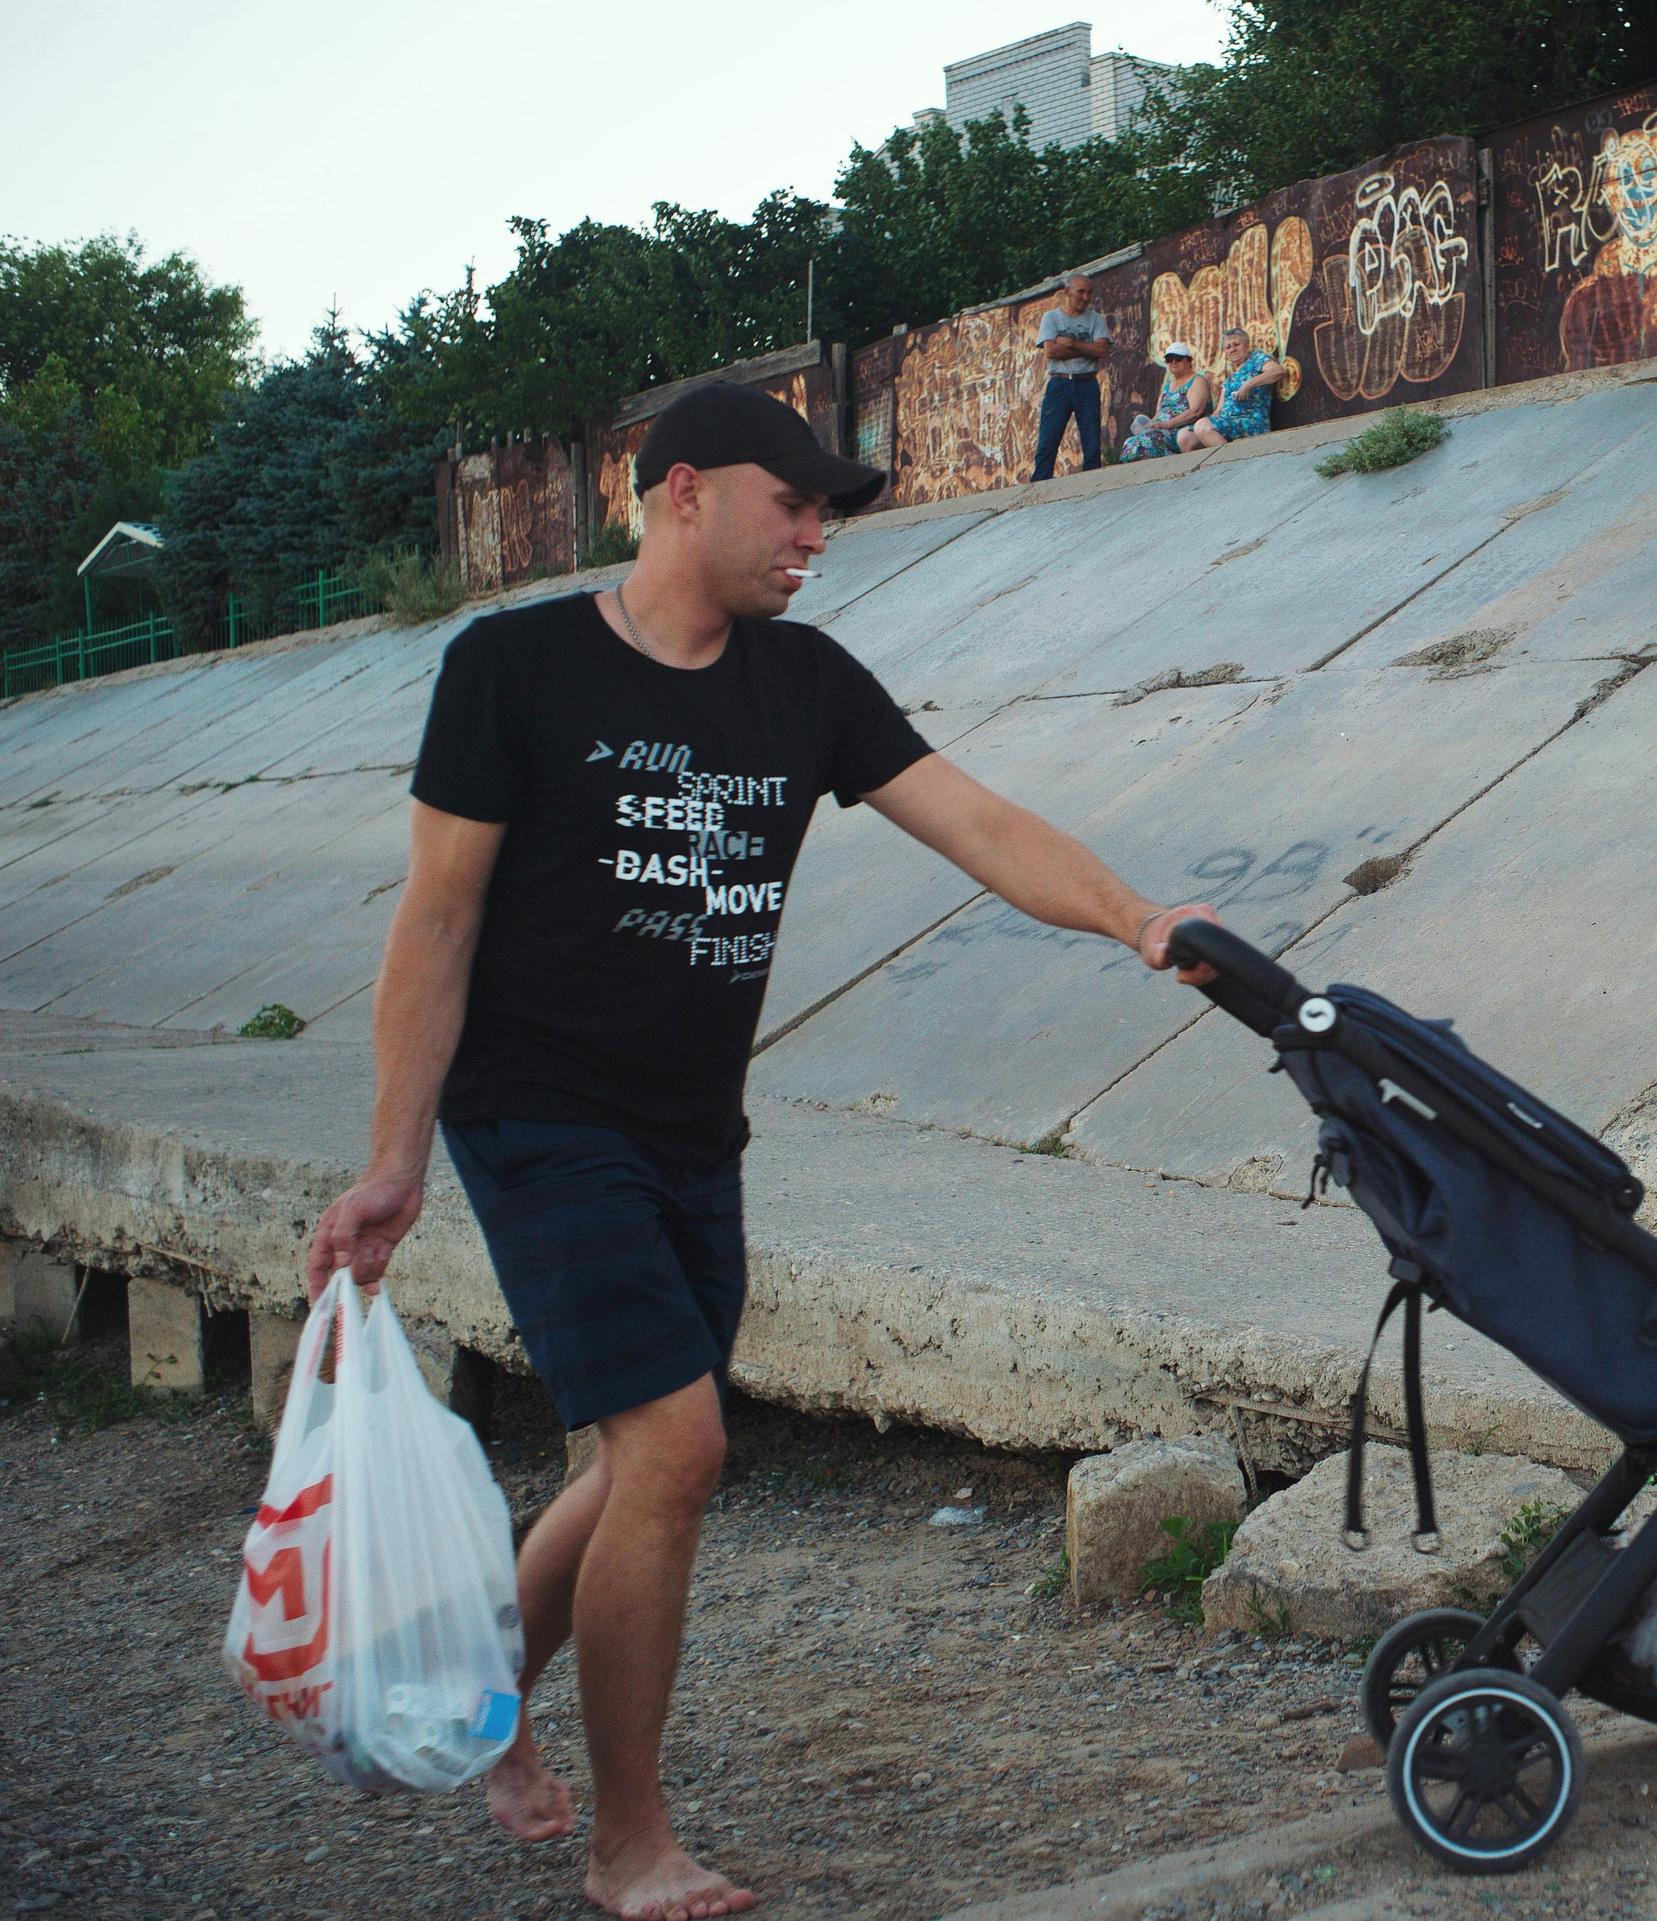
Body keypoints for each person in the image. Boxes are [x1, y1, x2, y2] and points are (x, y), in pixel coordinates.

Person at [302, 381, 1224, 1921]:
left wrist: (1136, 916)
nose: (816, 535)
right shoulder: (512, 666)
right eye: (792, 504)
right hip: (537, 1115)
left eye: (826, 514)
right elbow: (437, 916)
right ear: (679, 494)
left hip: (690, 1129)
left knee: (634, 1458)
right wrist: (395, 1158)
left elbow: (977, 823)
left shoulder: (802, 683)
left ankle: (478, 1702)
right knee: (675, 1448)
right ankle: (629, 1842)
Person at [1031, 273, 1112, 480]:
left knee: (1091, 439)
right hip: (1060, 382)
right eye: (1081, 292)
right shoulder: (1051, 318)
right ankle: (1039, 485)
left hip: (1087, 382)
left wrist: (1071, 343)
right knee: (1049, 438)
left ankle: (1091, 483)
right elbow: (1051, 351)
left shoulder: (1096, 320)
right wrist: (1088, 348)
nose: (1086, 297)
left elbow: (1102, 351)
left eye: (1089, 292)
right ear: (1067, 292)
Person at [1178, 328, 1285, 451]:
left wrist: (1248, 385)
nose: (1232, 349)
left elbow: (1278, 371)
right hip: (1227, 422)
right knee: (1184, 436)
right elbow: (1218, 410)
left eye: (1236, 344)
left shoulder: (1256, 359)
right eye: (1228, 347)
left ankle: (1232, 461)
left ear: (1246, 345)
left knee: (1203, 426)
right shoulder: (1229, 381)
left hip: (1250, 421)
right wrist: (1211, 419)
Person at [1120, 343, 1209, 461]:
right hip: (1161, 430)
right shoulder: (1168, 386)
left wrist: (1166, 425)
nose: (1173, 362)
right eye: (1169, 359)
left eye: (1178, 358)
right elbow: (1159, 413)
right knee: (1130, 443)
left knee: (1148, 442)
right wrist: (1151, 424)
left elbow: (1195, 411)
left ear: (1188, 361)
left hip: (1180, 429)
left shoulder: (1197, 380)